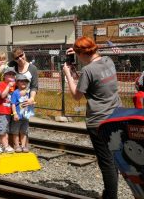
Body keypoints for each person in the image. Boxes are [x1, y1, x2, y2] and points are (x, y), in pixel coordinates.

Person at [63, 36, 120, 199]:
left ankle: (111, 196)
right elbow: (93, 82)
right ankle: (110, 192)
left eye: (78, 54)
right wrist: (79, 52)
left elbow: (76, 95)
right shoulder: (108, 61)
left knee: (106, 162)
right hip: (116, 116)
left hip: (99, 122)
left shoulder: (88, 70)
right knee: (113, 157)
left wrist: (68, 73)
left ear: (82, 54)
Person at [11, 74, 34, 153]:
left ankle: (23, 146)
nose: (24, 82)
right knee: (15, 131)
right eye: (21, 81)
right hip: (18, 115)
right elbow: (13, 104)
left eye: (25, 81)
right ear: (17, 83)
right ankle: (17, 145)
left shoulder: (27, 93)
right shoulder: (15, 93)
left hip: (25, 116)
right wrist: (14, 113)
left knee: (24, 131)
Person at [0, 66, 17, 153]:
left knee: (7, 129)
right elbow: (2, 96)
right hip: (2, 111)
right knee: (3, 129)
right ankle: (5, 146)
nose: (11, 77)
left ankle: (6, 145)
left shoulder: (15, 85)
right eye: (9, 75)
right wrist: (8, 86)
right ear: (4, 76)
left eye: (13, 75)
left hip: (10, 111)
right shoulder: (1, 84)